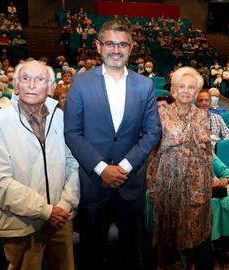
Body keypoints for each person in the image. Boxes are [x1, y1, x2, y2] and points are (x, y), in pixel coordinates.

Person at [64, 20, 162, 270]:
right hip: (94, 183)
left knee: (133, 253)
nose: (116, 49)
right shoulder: (81, 82)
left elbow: (152, 132)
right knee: (91, 252)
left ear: (131, 48)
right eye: (110, 43)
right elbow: (73, 133)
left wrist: (124, 167)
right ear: (98, 46)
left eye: (122, 44)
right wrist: (102, 169)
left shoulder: (145, 85)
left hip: (131, 184)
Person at [0, 60, 80, 270]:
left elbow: (73, 165)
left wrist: (64, 206)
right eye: (25, 78)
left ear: (51, 87)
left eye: (40, 79)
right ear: (16, 85)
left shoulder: (62, 118)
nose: (32, 84)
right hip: (21, 225)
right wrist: (45, 211)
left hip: (61, 221)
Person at [146, 67, 211, 270]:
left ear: (196, 92)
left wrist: (208, 180)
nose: (185, 91)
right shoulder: (160, 114)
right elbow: (152, 150)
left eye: (191, 87)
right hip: (167, 175)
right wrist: (151, 180)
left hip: (195, 179)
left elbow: (207, 151)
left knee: (193, 226)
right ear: (174, 90)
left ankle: (191, 264)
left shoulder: (202, 116)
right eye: (181, 86)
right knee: (165, 225)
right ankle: (161, 265)